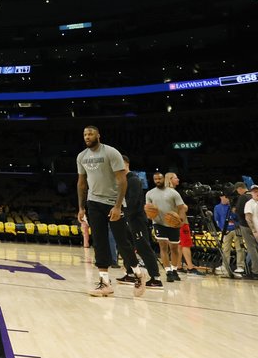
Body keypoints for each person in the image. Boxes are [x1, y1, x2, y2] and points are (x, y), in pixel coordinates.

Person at [75, 125, 147, 298]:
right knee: (99, 242)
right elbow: (81, 183)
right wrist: (81, 207)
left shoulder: (111, 152)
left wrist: (118, 206)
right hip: (94, 202)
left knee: (122, 242)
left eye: (90, 133)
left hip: (112, 203)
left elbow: (122, 181)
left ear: (98, 135)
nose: (87, 136)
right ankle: (105, 283)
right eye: (85, 134)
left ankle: (138, 273)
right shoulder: (82, 156)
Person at [120, 154, 162, 289]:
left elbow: (133, 202)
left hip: (136, 219)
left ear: (126, 164)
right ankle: (130, 273)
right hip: (128, 218)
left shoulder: (133, 180)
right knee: (127, 247)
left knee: (143, 248)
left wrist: (125, 213)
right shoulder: (122, 179)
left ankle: (156, 278)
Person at [146, 170, 187, 282]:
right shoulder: (149, 193)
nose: (157, 181)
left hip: (173, 224)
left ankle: (174, 270)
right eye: (155, 179)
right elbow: (148, 208)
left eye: (159, 178)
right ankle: (168, 272)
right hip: (158, 223)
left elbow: (181, 207)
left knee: (174, 248)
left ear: (164, 179)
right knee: (163, 247)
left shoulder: (173, 193)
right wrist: (149, 214)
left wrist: (181, 220)